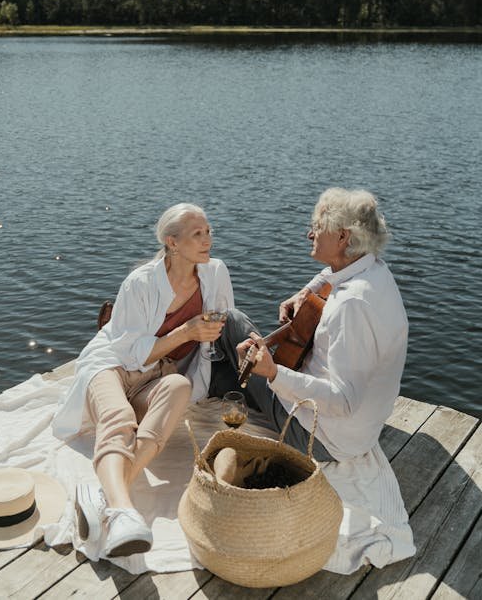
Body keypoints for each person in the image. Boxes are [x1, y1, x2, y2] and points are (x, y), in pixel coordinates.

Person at [52, 203, 234, 558]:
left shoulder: (215, 273)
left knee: (180, 388)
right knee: (119, 418)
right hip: (112, 366)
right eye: (198, 233)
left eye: (209, 230)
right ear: (172, 243)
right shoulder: (140, 283)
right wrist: (187, 331)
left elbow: (221, 322)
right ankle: (122, 509)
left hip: (161, 374)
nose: (208, 239)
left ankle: (104, 497)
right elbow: (132, 353)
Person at [212, 187, 409, 464]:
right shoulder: (376, 270)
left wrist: (274, 373)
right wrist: (306, 290)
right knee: (237, 360)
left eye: (317, 227)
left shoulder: (349, 305)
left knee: (232, 322)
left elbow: (344, 401)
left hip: (321, 438)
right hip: (361, 431)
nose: (309, 234)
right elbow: (332, 273)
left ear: (343, 236)